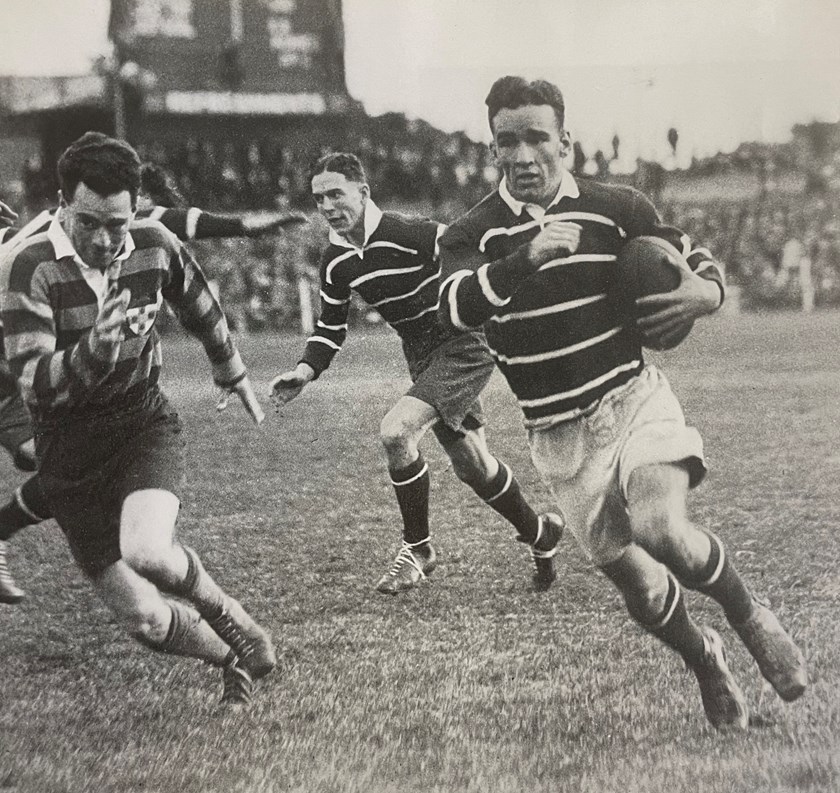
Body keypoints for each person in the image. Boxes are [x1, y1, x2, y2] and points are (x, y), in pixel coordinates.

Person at [437, 76, 807, 730]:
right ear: (493, 149)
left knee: (662, 529)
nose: (523, 155)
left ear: (565, 142)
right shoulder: (471, 234)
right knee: (641, 587)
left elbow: (688, 255)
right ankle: (705, 660)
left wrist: (708, 292)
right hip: (558, 438)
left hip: (632, 401)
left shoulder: (616, 206)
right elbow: (455, 308)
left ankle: (750, 617)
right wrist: (525, 258)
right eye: (507, 142)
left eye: (537, 138)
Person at [0, 131, 275, 708]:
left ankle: (232, 619)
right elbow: (34, 383)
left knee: (147, 550)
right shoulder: (29, 267)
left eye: (117, 225)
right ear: (61, 203)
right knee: (146, 621)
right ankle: (231, 659)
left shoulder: (152, 241)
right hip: (65, 447)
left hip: (140, 423)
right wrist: (95, 351)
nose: (104, 240)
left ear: (134, 211)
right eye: (88, 223)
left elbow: (198, 301)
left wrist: (230, 368)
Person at [270, 152, 563, 594]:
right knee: (473, 465)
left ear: (363, 192)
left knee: (397, 431)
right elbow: (330, 326)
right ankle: (541, 533)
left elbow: (473, 257)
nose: (327, 206)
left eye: (335, 194)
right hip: (421, 353)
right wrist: (304, 371)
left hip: (464, 341)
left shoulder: (412, 233)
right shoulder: (336, 260)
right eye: (319, 199)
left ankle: (418, 549)